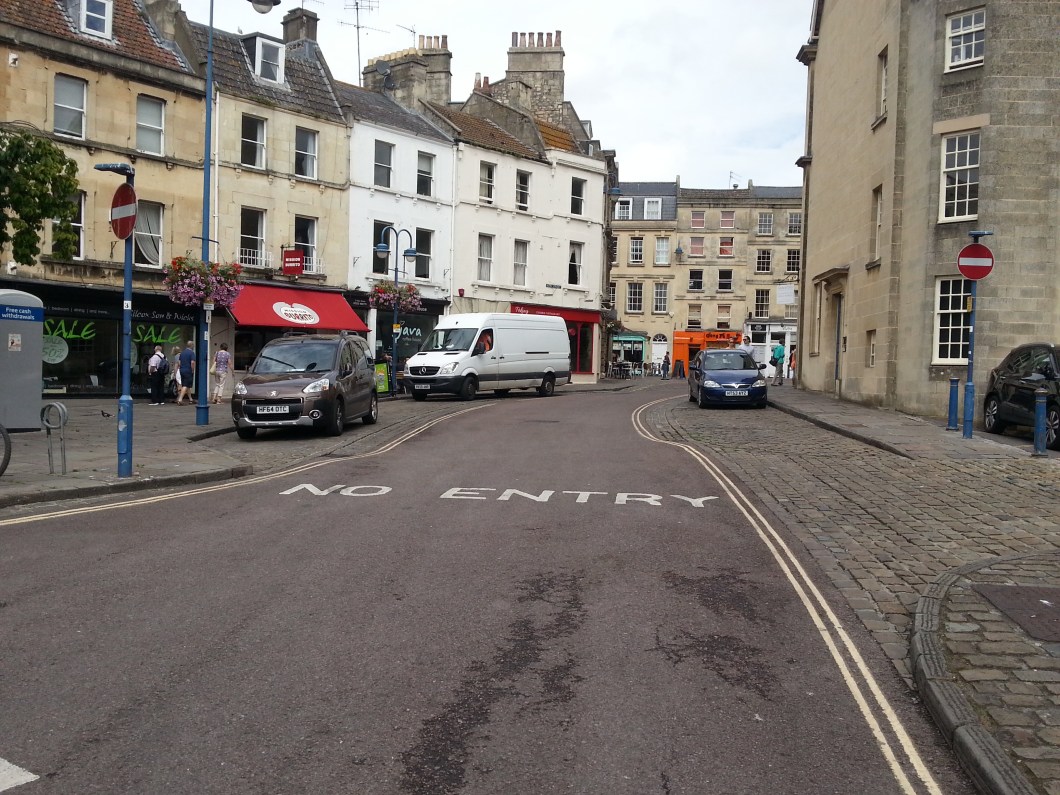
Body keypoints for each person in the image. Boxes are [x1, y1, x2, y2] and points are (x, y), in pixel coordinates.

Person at [176, 340, 195, 405]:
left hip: (182, 370)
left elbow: (179, 362)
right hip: (188, 370)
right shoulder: (191, 353)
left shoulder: (182, 353)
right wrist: (192, 370)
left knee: (187, 385)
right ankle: (180, 399)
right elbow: (192, 362)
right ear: (192, 346)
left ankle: (190, 399)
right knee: (185, 385)